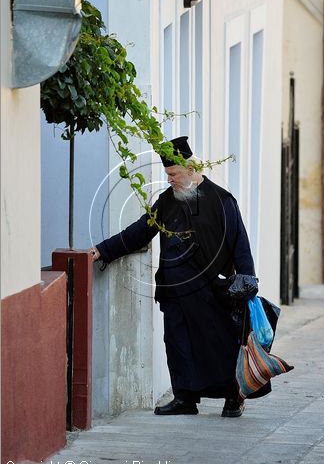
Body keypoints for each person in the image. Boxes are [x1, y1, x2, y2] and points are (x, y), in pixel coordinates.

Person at [89, 136, 269, 417]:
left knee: (220, 346)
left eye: (173, 174)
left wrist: (247, 281)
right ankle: (184, 398)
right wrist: (102, 251)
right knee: (177, 344)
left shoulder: (222, 201)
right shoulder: (166, 202)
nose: (170, 180)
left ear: (189, 169)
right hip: (174, 292)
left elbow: (240, 245)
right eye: (167, 175)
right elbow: (139, 232)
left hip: (215, 293)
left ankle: (234, 397)